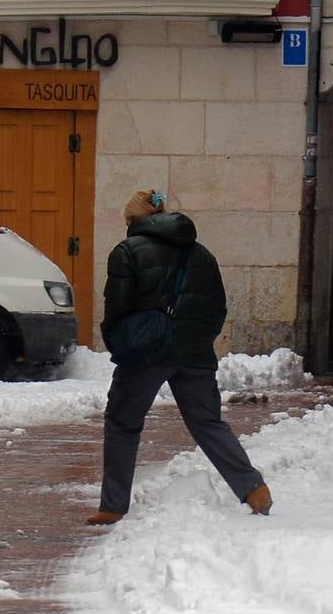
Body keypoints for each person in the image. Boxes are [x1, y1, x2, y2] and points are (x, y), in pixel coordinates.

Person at [87, 189, 272, 525]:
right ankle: (254, 489)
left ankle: (113, 506)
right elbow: (218, 308)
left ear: (133, 220)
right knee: (207, 423)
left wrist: (121, 345)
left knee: (122, 422)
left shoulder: (127, 251)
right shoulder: (202, 254)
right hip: (195, 352)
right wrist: (199, 340)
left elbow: (116, 308)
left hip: (145, 353)